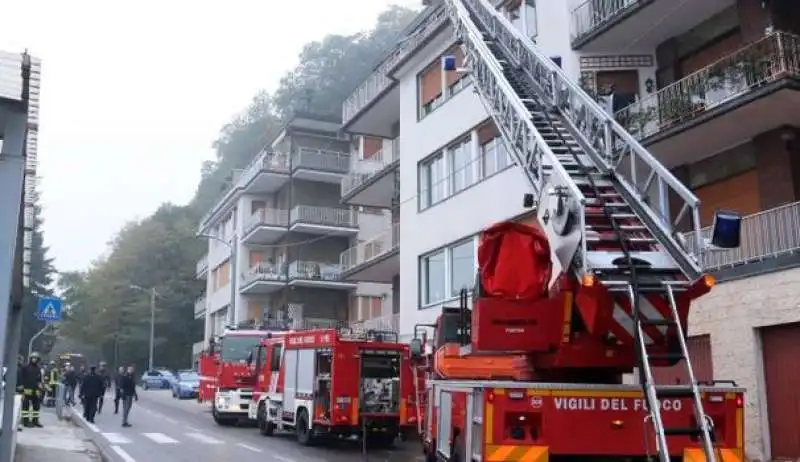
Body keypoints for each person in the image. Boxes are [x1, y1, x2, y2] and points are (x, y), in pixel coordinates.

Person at [20, 352, 44, 428]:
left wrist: (40, 387)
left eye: (36, 358)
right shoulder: (25, 367)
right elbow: (21, 378)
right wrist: (22, 389)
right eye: (33, 358)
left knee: (36, 407)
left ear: (38, 359)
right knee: (25, 407)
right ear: (30, 358)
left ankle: (35, 421)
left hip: (36, 391)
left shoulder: (38, 369)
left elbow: (39, 380)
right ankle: (25, 422)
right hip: (26, 391)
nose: (34, 359)